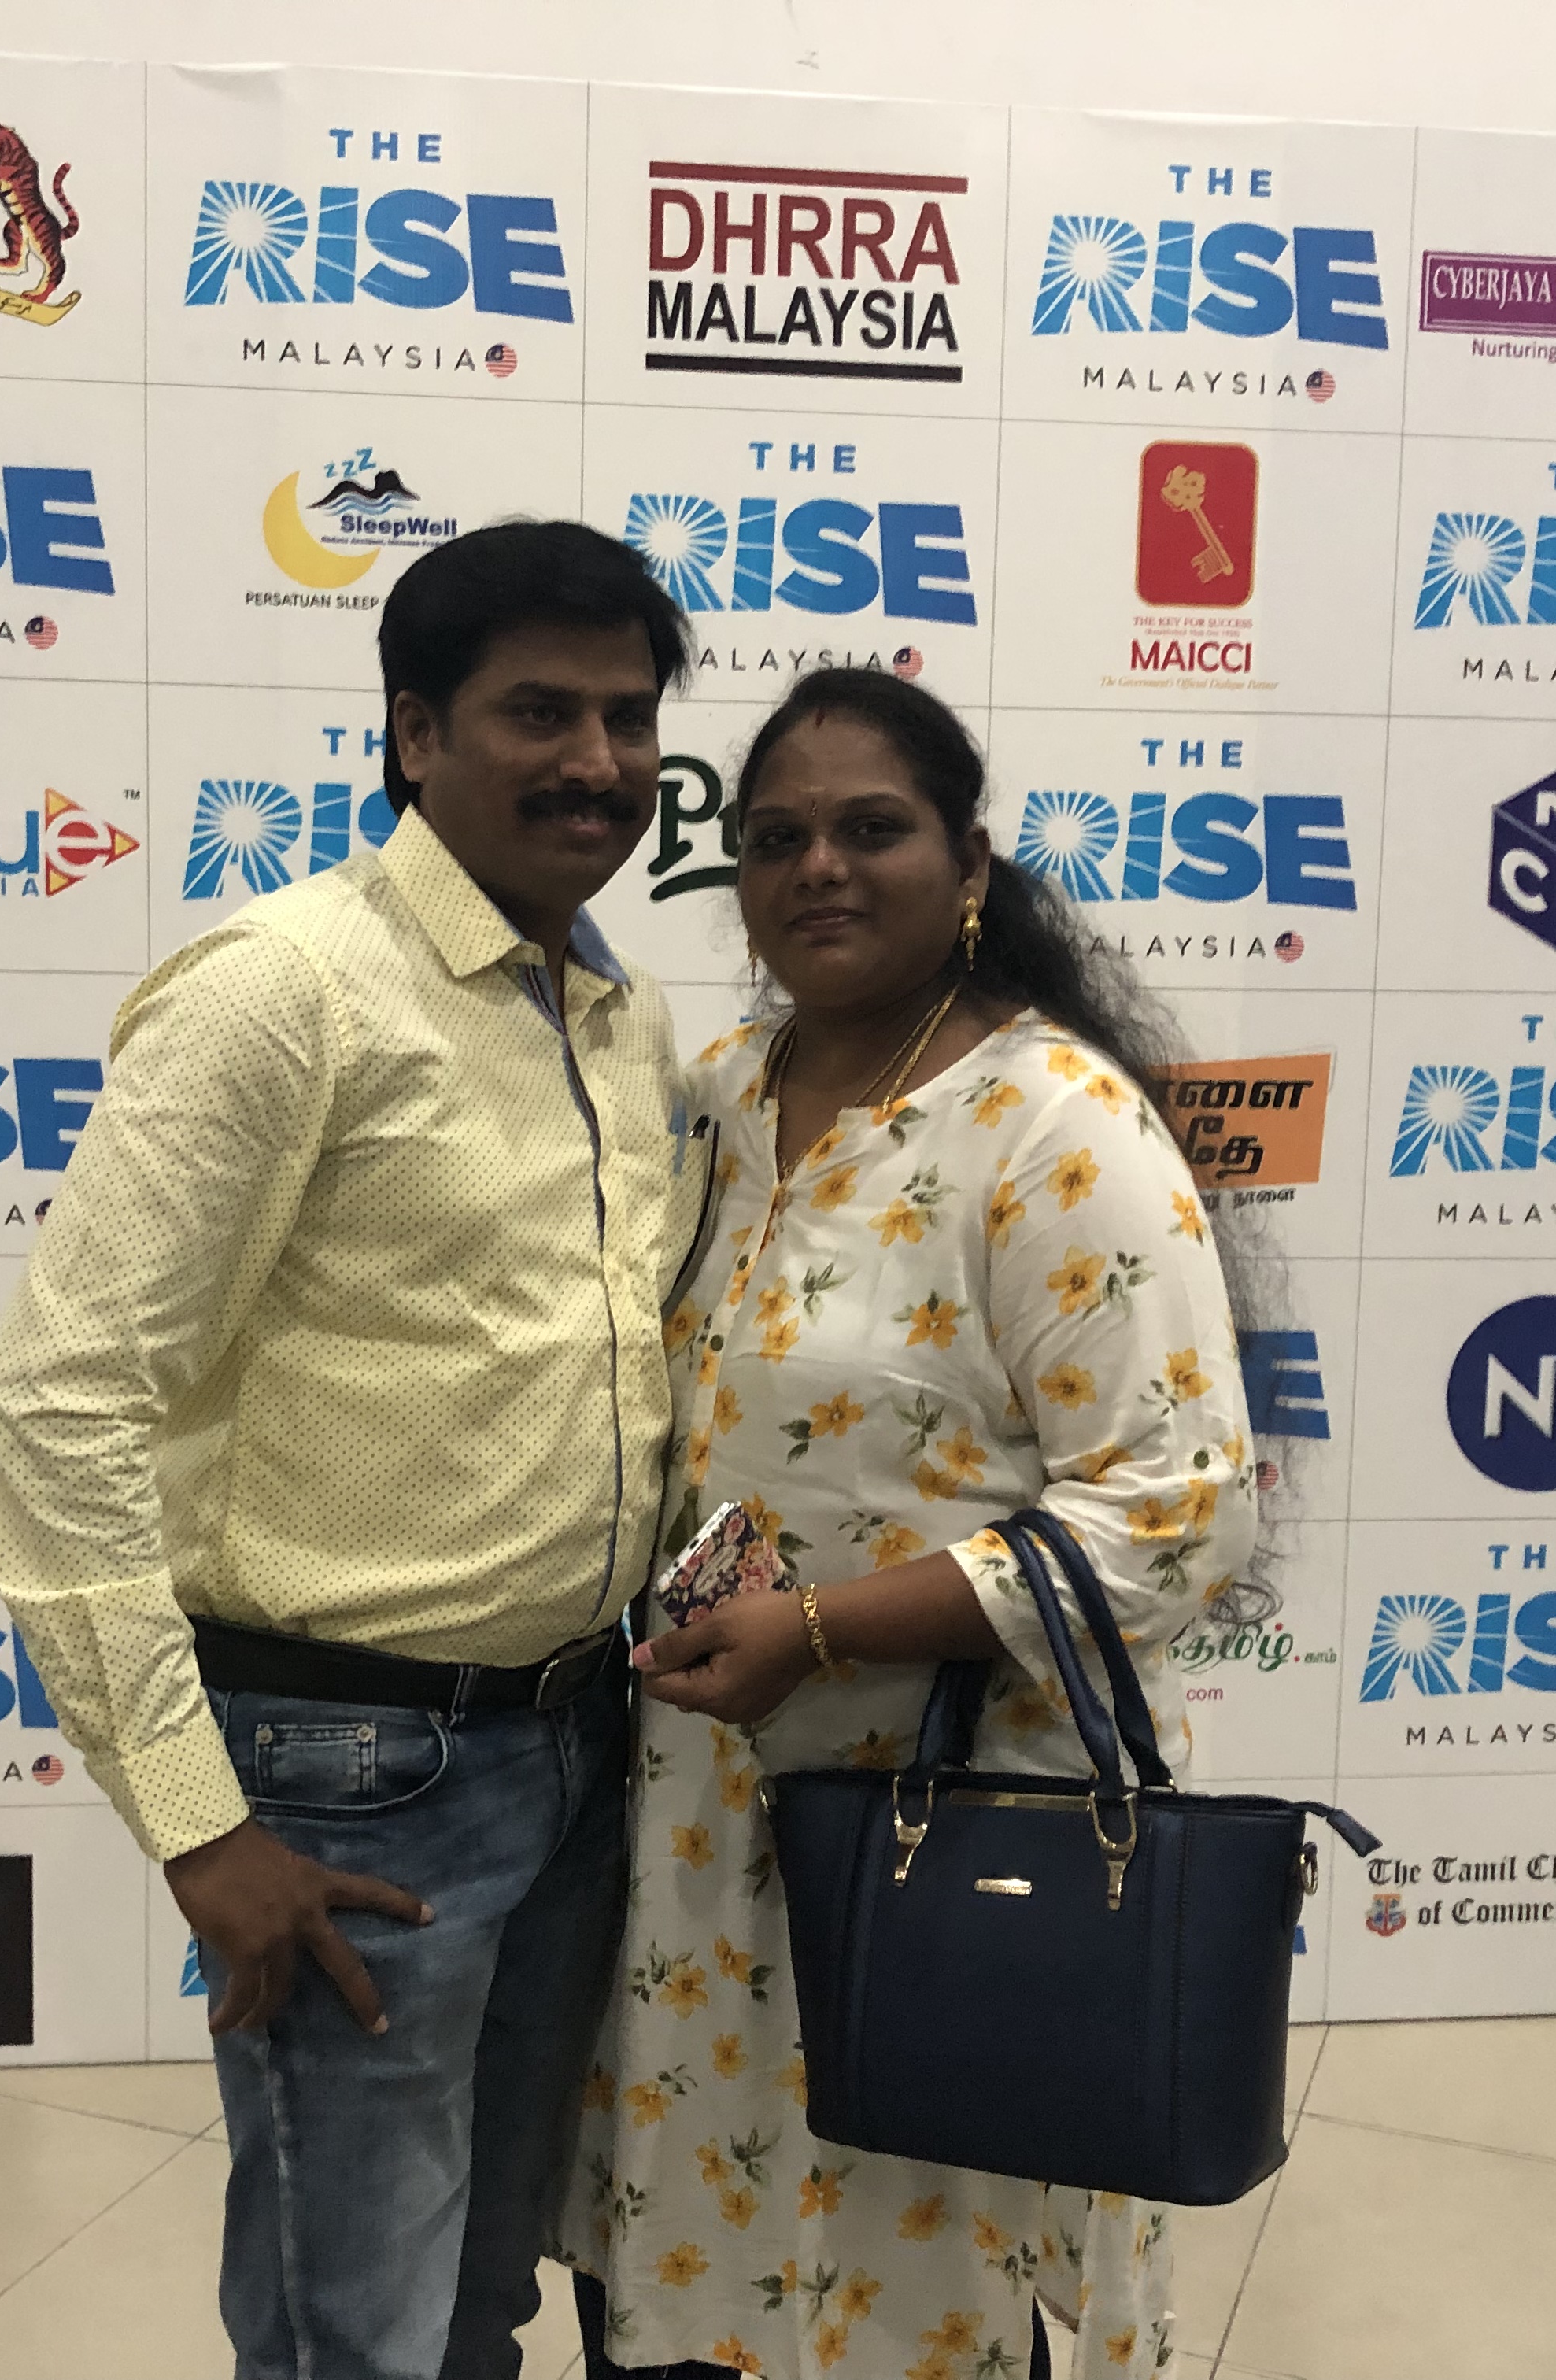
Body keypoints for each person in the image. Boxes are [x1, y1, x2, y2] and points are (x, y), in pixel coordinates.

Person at [0, 519, 697, 2380]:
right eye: (539, 711)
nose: (596, 762)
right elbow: (52, 1409)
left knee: (481, 2295)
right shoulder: (282, 989)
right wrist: (200, 1824)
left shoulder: (619, 1016)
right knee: (353, 2323)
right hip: (351, 1777)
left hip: (580, 1746)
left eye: (627, 718)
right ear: (413, 734)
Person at [560, 670, 1258, 2380]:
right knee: (698, 2269)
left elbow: (1173, 1516)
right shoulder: (717, 1096)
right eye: (774, 837)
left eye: (872, 828)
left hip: (954, 1840)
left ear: (968, 865)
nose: (819, 867)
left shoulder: (1057, 1126)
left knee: (907, 2278)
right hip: (695, 1831)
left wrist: (822, 1630)